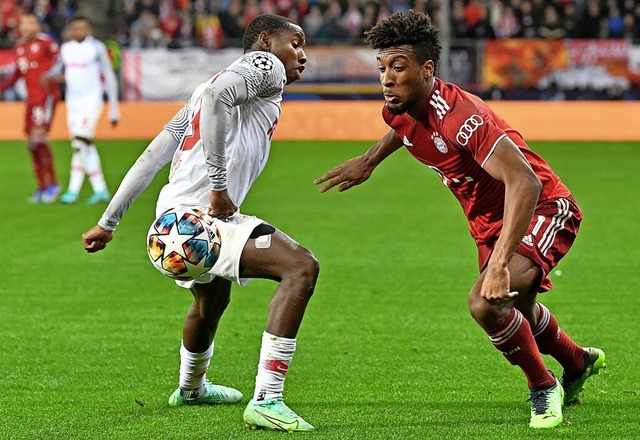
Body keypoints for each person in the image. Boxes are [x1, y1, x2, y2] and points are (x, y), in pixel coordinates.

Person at [315, 10, 605, 429]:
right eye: (382, 67)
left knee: (486, 304)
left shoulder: (463, 117)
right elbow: (404, 128)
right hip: (489, 222)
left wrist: (501, 263)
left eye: (399, 67)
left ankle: (543, 387)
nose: (387, 78)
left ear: (427, 69)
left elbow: (525, 182)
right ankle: (578, 362)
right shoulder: (396, 109)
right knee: (515, 307)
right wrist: (369, 160)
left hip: (540, 207)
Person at [81, 14, 317, 432]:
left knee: (211, 303)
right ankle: (268, 399)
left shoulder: (200, 92)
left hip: (169, 224)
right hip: (201, 222)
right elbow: (216, 97)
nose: (302, 55)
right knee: (300, 267)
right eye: (295, 43)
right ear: (265, 41)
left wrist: (108, 221)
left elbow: (153, 154)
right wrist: (220, 186)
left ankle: (191, 388)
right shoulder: (266, 66)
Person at [0, 14, 61, 204]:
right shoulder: (18, 47)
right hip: (31, 100)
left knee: (38, 138)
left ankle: (53, 185)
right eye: (24, 24)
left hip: (46, 97)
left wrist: (52, 76)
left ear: (37, 25)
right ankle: (41, 188)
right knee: (30, 144)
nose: (27, 27)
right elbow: (18, 73)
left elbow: (60, 63)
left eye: (31, 23)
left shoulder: (47, 43)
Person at [58, 15, 119, 205]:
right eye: (76, 28)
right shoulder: (66, 49)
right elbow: (63, 73)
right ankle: (100, 189)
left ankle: (72, 190)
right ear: (71, 29)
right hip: (72, 102)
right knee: (85, 145)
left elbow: (109, 75)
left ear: (89, 29)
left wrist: (114, 108)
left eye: (83, 28)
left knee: (79, 143)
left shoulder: (97, 48)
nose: (80, 31)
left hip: (92, 101)